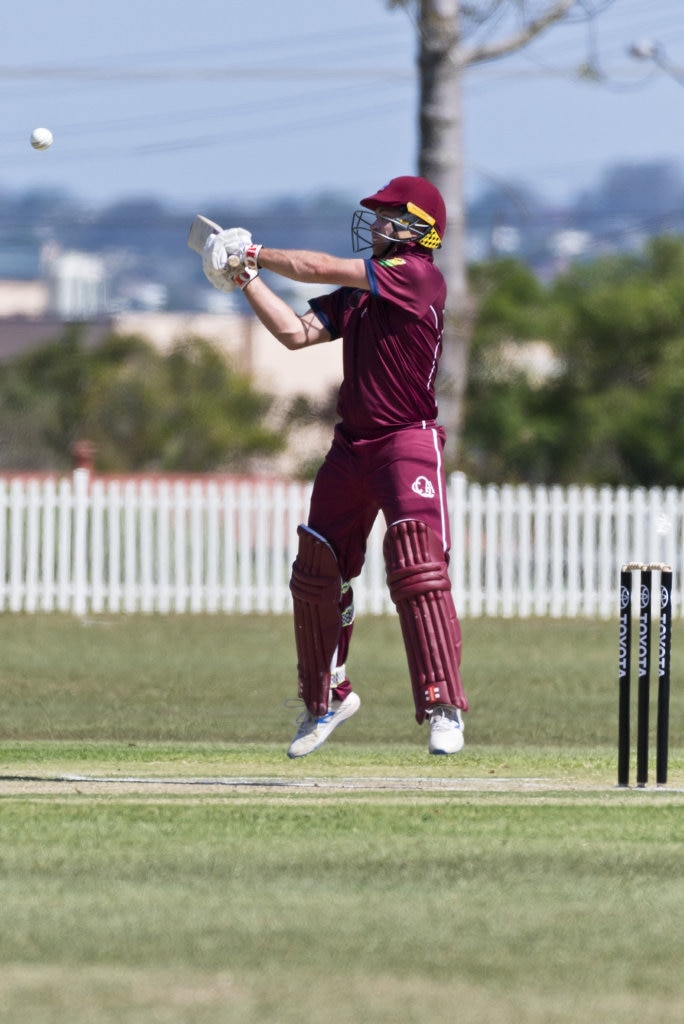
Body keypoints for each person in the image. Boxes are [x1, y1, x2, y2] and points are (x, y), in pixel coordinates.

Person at [201, 175, 469, 757]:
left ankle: (442, 704)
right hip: (353, 446)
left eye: (386, 217)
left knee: (418, 565)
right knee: (317, 569)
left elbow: (318, 265)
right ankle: (327, 698)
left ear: (419, 228)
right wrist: (247, 280)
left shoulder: (417, 276)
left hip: (407, 440)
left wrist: (254, 252)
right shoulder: (365, 291)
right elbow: (296, 334)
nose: (374, 226)